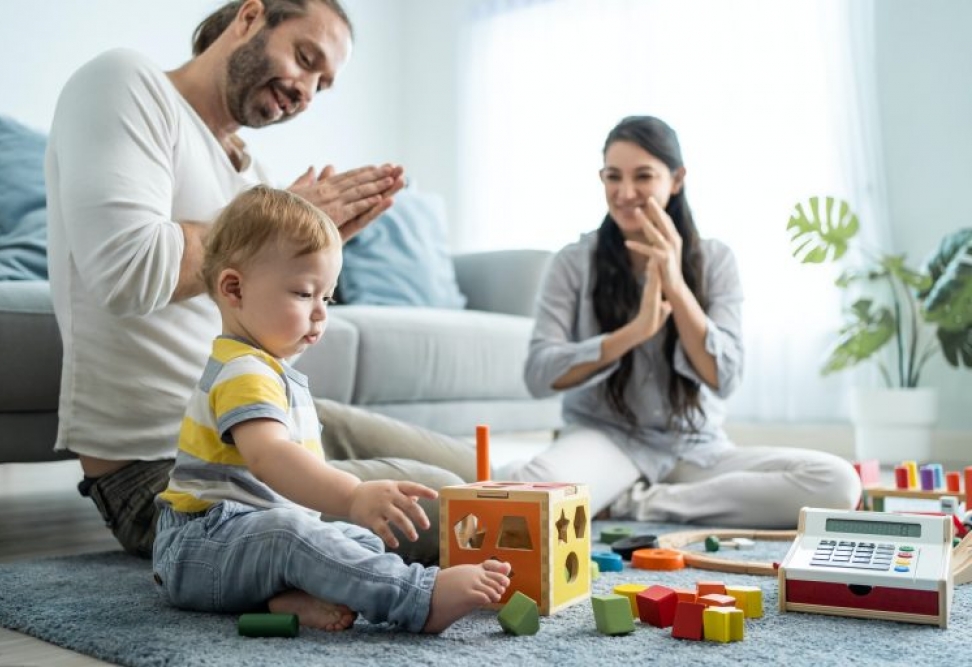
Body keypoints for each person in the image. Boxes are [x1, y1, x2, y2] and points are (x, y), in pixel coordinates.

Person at [44, 0, 475, 564]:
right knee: (462, 507)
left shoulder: (252, 174)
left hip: (264, 417)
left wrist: (306, 260)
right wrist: (272, 225)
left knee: (482, 473)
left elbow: (265, 339)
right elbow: (128, 273)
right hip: (172, 473)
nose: (307, 90)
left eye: (322, 84)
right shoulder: (125, 82)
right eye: (304, 57)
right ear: (250, 17)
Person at [152, 185, 510, 633]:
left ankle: (284, 599)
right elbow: (269, 457)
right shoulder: (243, 371)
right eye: (304, 294)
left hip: (241, 546)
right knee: (294, 536)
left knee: (353, 542)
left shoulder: (270, 369)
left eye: (329, 297)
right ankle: (419, 598)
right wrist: (352, 494)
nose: (321, 313)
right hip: (198, 548)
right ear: (234, 289)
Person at [500, 116, 861, 527]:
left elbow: (724, 377)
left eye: (643, 176)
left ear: (676, 180)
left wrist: (674, 282)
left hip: (696, 448)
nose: (625, 192)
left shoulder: (716, 260)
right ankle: (607, 490)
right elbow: (539, 375)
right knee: (523, 498)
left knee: (837, 484)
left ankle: (634, 505)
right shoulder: (572, 261)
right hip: (606, 440)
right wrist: (632, 333)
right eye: (612, 177)